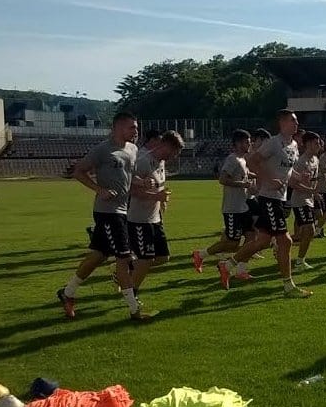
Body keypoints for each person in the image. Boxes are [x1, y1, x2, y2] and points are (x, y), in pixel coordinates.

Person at [56, 112, 155, 321]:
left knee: (98, 256)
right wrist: (98, 189)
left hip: (121, 210)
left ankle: (67, 293)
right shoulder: (102, 150)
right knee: (123, 259)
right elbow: (79, 172)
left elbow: (128, 175)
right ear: (117, 128)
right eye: (132, 127)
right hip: (108, 212)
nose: (136, 131)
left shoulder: (133, 149)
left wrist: (142, 182)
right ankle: (134, 310)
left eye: (136, 127)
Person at [216, 109, 312, 298]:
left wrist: (302, 178)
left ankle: (227, 266)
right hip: (269, 198)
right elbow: (252, 161)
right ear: (282, 123)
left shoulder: (293, 145)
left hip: (280, 198)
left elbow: (288, 173)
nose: (297, 124)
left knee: (263, 241)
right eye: (293, 121)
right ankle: (288, 286)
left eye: (297, 121)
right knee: (285, 241)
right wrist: (268, 179)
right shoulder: (273, 143)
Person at [126, 130, 184, 297]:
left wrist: (161, 199)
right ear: (165, 145)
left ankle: (128, 266)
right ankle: (131, 296)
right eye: (174, 151)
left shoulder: (161, 162)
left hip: (155, 218)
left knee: (163, 257)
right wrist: (156, 196)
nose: (176, 155)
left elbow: (156, 186)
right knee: (146, 259)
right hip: (139, 219)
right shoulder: (143, 161)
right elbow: (129, 189)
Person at [192, 129, 255, 271]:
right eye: (247, 142)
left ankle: (241, 270)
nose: (249, 145)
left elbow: (243, 174)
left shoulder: (242, 160)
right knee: (232, 244)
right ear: (238, 144)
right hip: (232, 209)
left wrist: (255, 175)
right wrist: (243, 184)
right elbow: (223, 179)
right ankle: (200, 255)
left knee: (252, 238)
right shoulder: (232, 159)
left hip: (243, 207)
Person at [289, 131, 322, 270]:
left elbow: (312, 180)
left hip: (309, 199)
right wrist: (311, 191)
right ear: (308, 144)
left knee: (305, 233)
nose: (319, 145)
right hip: (300, 200)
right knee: (309, 230)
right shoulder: (301, 161)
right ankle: (299, 262)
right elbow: (292, 183)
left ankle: (279, 243)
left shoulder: (315, 159)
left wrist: (315, 193)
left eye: (319, 143)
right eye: (316, 143)